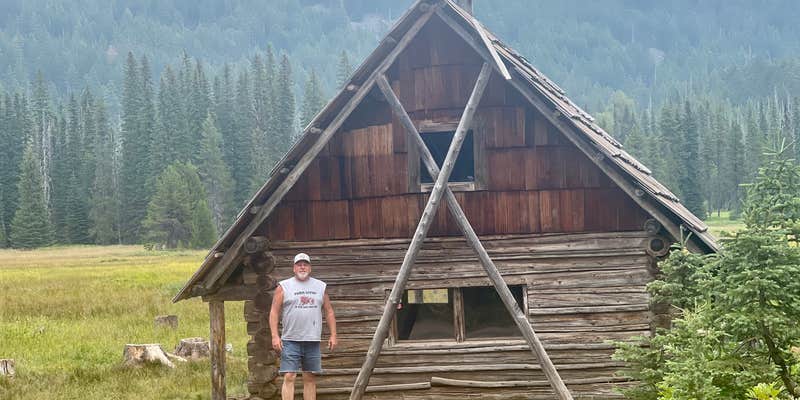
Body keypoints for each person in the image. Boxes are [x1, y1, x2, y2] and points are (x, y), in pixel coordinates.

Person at [270, 252, 337, 400]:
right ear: (294, 268)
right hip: (290, 339)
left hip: (312, 339)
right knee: (289, 376)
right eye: (299, 264)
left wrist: (333, 335)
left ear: (310, 268)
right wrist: (275, 336)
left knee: (310, 376)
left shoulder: (320, 286)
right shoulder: (284, 287)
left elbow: (329, 311)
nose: (302, 267)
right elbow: (274, 312)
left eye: (305, 264)